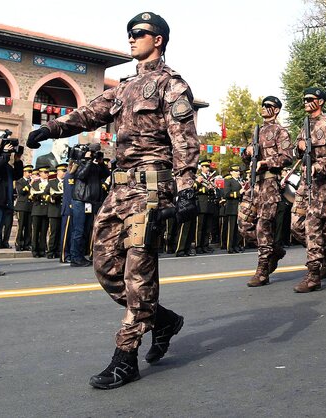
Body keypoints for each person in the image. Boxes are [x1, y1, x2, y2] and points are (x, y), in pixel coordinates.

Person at [27, 11, 199, 388]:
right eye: (129, 33)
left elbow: (184, 139)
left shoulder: (173, 86)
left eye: (139, 33)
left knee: (138, 272)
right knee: (105, 268)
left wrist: (186, 188)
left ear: (159, 39)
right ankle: (163, 319)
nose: (132, 38)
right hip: (118, 189)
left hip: (151, 188)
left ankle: (125, 357)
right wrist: (50, 128)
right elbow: (89, 114)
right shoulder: (123, 87)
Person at [290, 87, 326, 293]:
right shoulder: (304, 125)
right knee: (296, 226)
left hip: (321, 185)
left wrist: (317, 167)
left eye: (309, 99)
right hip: (304, 184)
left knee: (313, 228)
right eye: (304, 98)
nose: (305, 101)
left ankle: (313, 275)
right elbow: (295, 152)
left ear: (320, 101)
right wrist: (300, 147)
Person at [238, 95, 293, 286]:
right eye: (263, 105)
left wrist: (266, 162)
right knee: (244, 224)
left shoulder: (281, 132)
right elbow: (245, 158)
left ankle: (262, 270)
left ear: (276, 110)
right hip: (254, 184)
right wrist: (247, 152)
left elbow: (287, 157)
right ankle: (273, 249)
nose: (264, 108)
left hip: (270, 184)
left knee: (263, 226)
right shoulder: (257, 131)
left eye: (268, 105)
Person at [69, 143, 110, 266]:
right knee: (78, 230)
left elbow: (106, 175)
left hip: (89, 202)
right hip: (80, 201)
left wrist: (101, 162)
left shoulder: (94, 166)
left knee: (86, 230)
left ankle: (81, 255)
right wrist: (87, 160)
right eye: (93, 152)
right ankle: (75, 257)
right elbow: (81, 175)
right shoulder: (80, 164)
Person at [0, 135, 23, 275]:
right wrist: (4, 154)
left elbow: (17, 175)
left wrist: (17, 160)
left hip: (3, 203)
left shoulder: (5, 165)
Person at [45, 165, 66, 259]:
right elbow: (45, 194)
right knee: (53, 232)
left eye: (65, 171)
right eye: (63, 171)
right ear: (58, 172)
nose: (64, 173)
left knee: (62, 232)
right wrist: (51, 198)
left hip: (63, 209)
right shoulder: (52, 182)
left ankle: (58, 250)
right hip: (54, 209)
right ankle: (51, 251)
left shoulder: (67, 182)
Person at [29, 166, 49, 258]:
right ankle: (35, 250)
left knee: (44, 232)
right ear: (40, 173)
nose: (47, 174)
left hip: (46, 210)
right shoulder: (36, 183)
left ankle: (42, 249)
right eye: (45, 172)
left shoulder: (50, 183)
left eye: (47, 172)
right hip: (37, 209)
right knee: (36, 231)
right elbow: (32, 195)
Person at [222, 165, 243, 254]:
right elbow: (226, 194)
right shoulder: (228, 181)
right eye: (236, 171)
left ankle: (236, 245)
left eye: (238, 171)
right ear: (231, 172)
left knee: (237, 229)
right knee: (231, 229)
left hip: (239, 207)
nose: (238, 172)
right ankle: (229, 247)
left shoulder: (240, 181)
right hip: (232, 207)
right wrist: (238, 193)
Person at [14, 164, 33, 251]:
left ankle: (27, 244)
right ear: (24, 172)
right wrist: (30, 185)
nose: (30, 174)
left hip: (30, 207)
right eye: (29, 172)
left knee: (28, 227)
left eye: (31, 172)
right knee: (21, 226)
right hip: (21, 206)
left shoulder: (32, 182)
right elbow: (21, 192)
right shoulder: (19, 181)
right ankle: (19, 243)